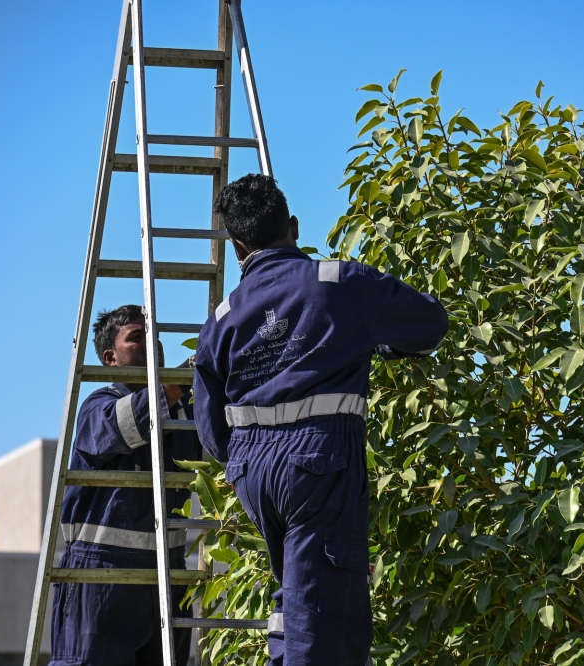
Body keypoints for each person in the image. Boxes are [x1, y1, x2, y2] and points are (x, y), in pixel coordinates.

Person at [191, 175, 449, 665]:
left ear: (237, 246)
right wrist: (374, 342)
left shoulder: (222, 317)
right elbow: (430, 324)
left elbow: (209, 424)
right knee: (321, 615)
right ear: (293, 226)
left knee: (305, 598)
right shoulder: (338, 283)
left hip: (252, 470)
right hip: (317, 459)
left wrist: (246, 462)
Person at [50, 304, 200, 666]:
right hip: (101, 578)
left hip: (167, 577)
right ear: (110, 358)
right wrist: (191, 372)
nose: (152, 343)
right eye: (137, 337)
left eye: (155, 335)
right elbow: (135, 419)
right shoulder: (97, 407)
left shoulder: (184, 412)